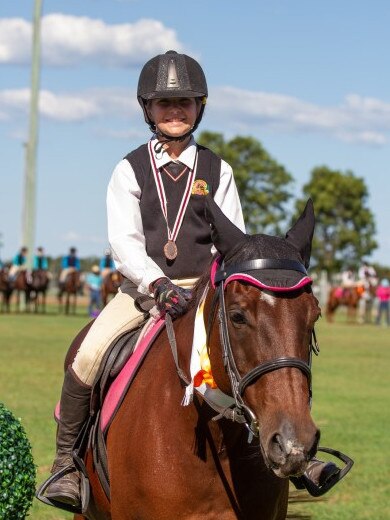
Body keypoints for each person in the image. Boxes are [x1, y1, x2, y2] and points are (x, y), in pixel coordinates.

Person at [41, 50, 340, 508]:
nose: (175, 112)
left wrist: (218, 286)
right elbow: (123, 240)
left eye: (185, 103)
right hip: (143, 293)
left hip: (206, 292)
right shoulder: (129, 170)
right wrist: (156, 283)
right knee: (87, 354)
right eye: (165, 103)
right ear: (148, 110)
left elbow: (234, 241)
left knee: (255, 351)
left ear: (200, 107)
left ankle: (293, 449)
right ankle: (66, 463)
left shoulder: (219, 170)